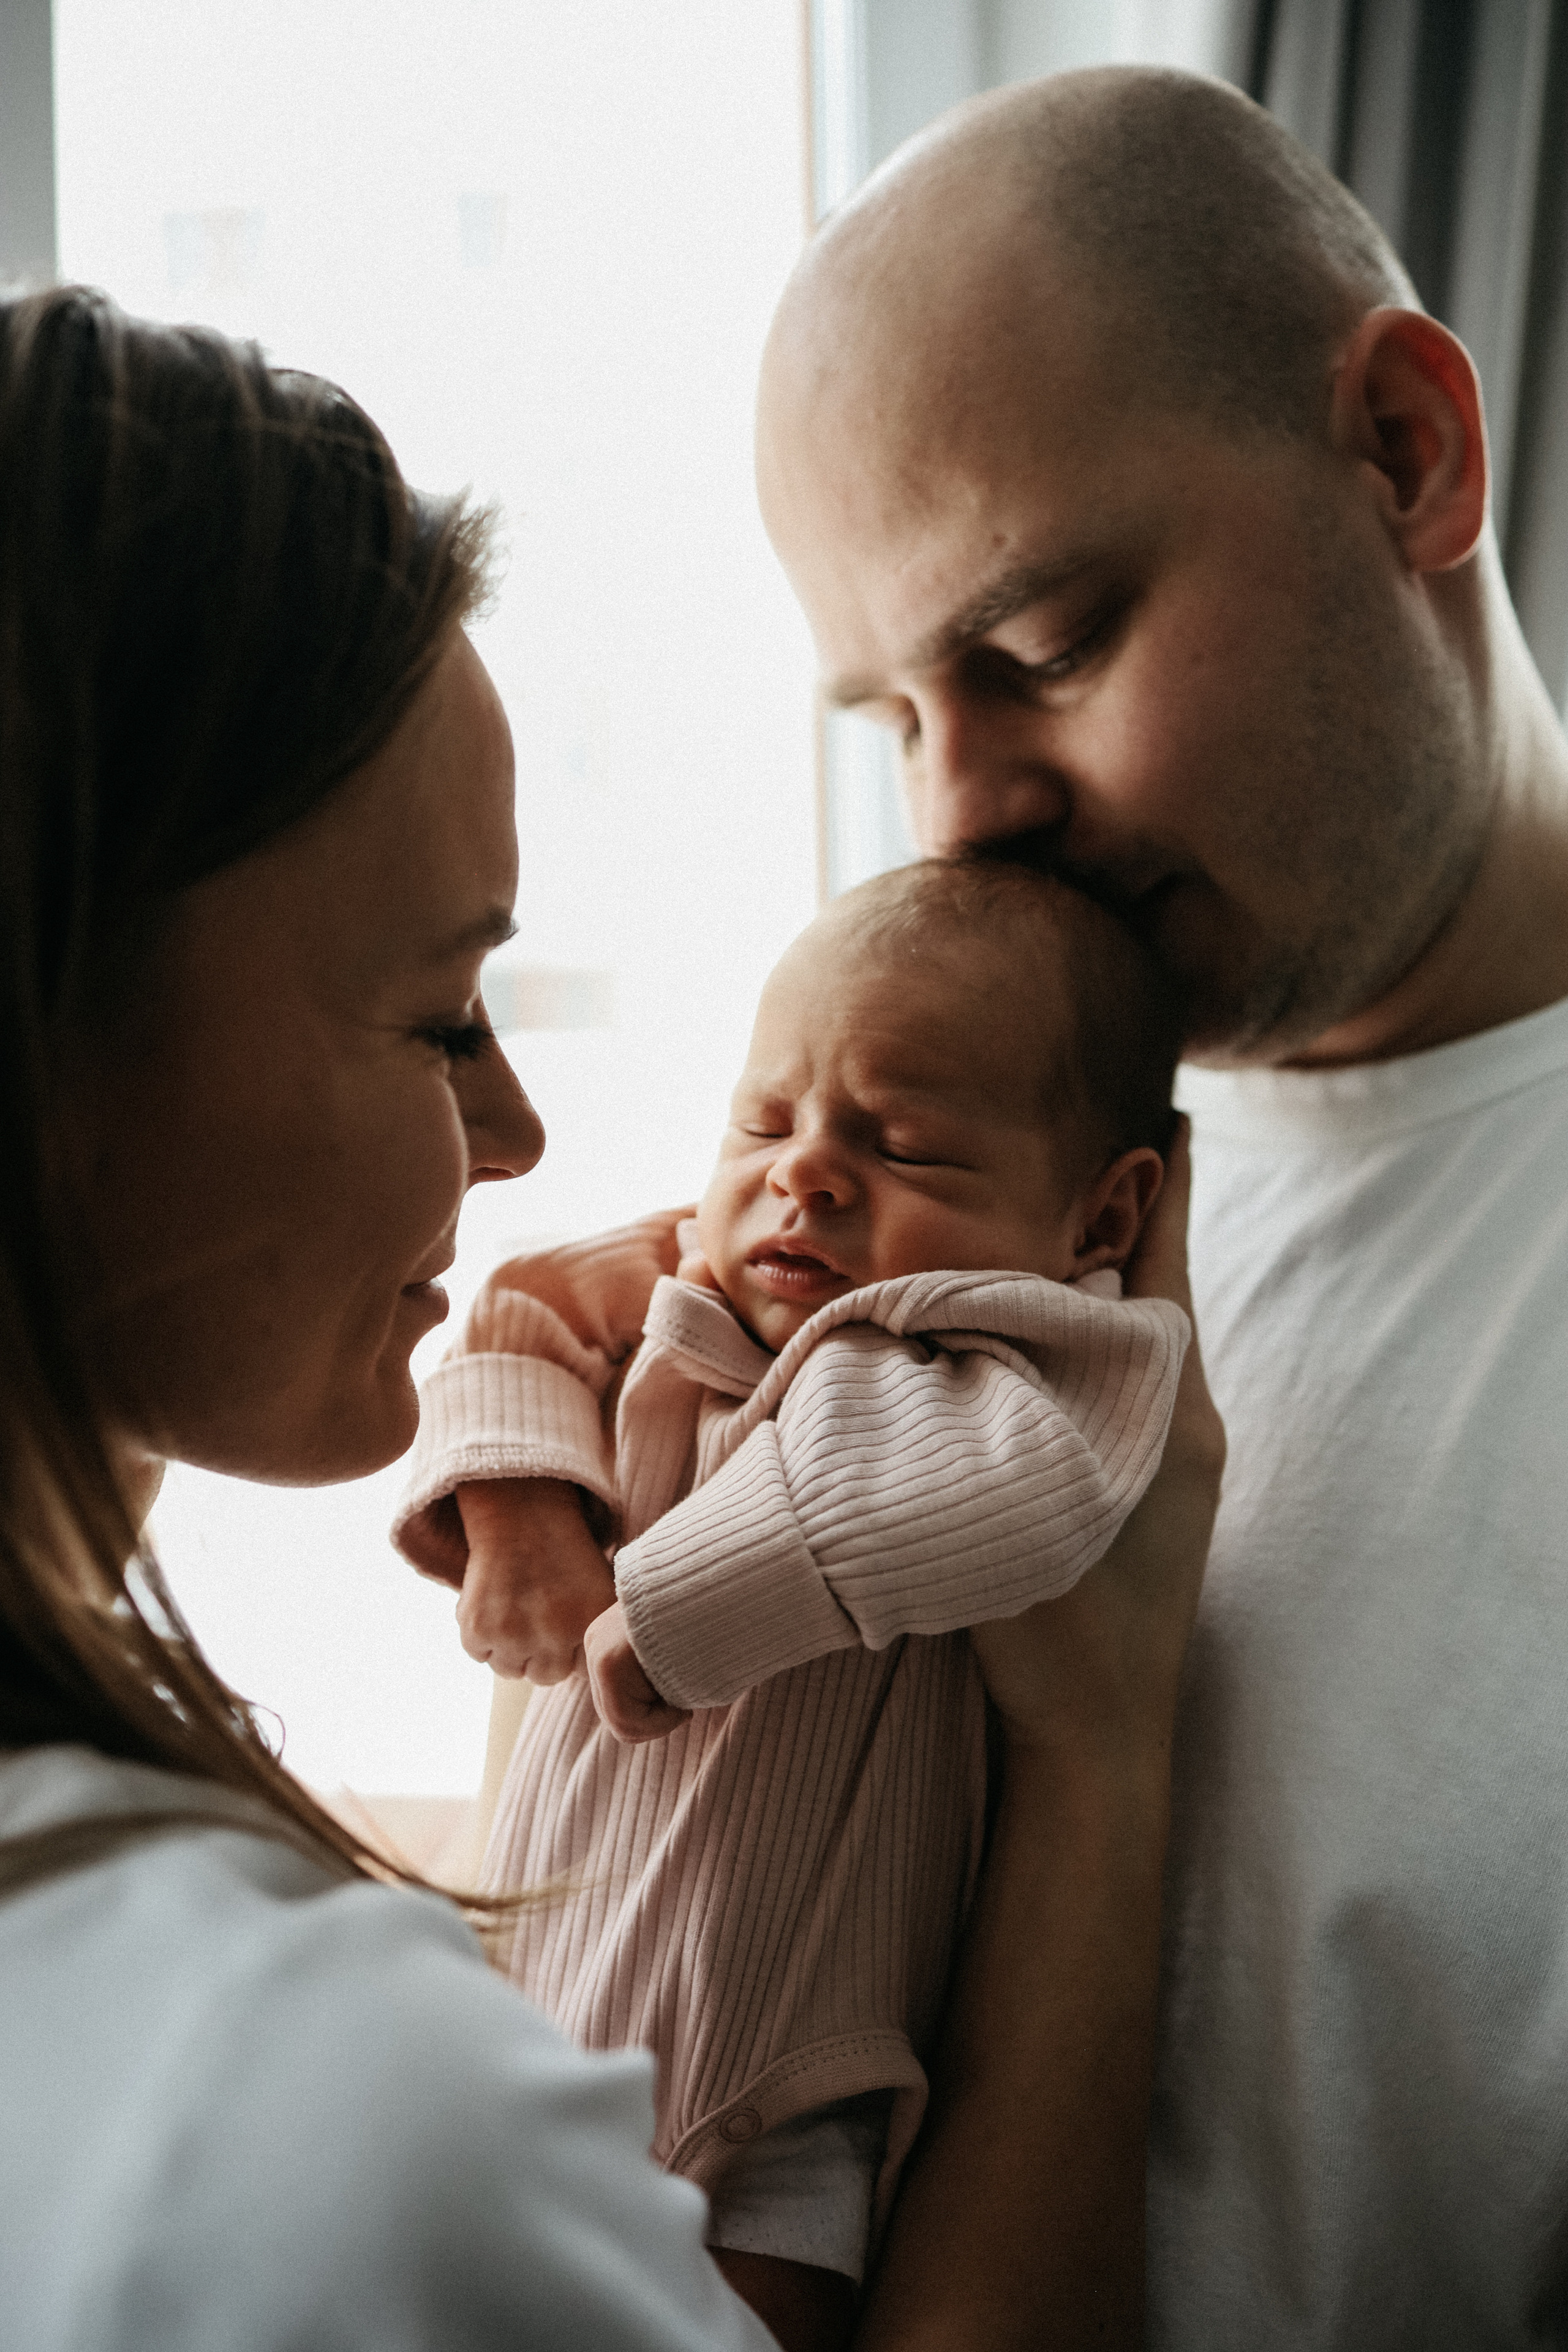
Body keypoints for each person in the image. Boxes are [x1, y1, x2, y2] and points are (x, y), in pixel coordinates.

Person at [0, 284, 1220, 2351]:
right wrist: (1099, 1770)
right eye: (439, 1009)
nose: (517, 1132)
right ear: (60, 1045)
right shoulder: (351, 2139)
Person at [742, 61, 1568, 2350]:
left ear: (1408, 453)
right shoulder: (948, 1158)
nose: (960, 816)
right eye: (891, 712)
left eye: (1039, 648)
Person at [391, 858, 1190, 2322]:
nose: (803, 1172)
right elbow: (514, 1311)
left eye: (904, 1148)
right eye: (764, 1118)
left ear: (1099, 1215)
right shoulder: (684, 1273)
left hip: (777, 2083)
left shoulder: (1037, 1364)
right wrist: (519, 1522)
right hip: (526, 2013)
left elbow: (993, 1498)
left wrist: (677, 1617)